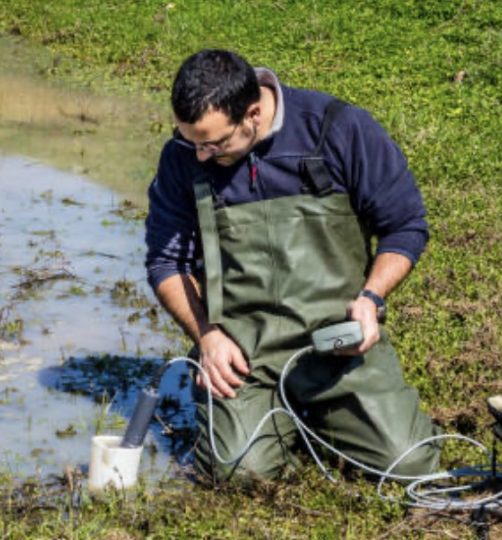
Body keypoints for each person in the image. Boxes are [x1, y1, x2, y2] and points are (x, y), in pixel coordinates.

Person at [144, 49, 440, 482]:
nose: (201, 156)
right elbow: (167, 261)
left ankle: (317, 416)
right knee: (238, 474)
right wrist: (207, 337)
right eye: (193, 142)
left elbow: (406, 226)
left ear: (253, 113)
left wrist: (370, 298)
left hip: (335, 345)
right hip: (243, 351)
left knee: (410, 465)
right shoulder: (182, 155)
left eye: (215, 143)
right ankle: (272, 416)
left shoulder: (337, 127)